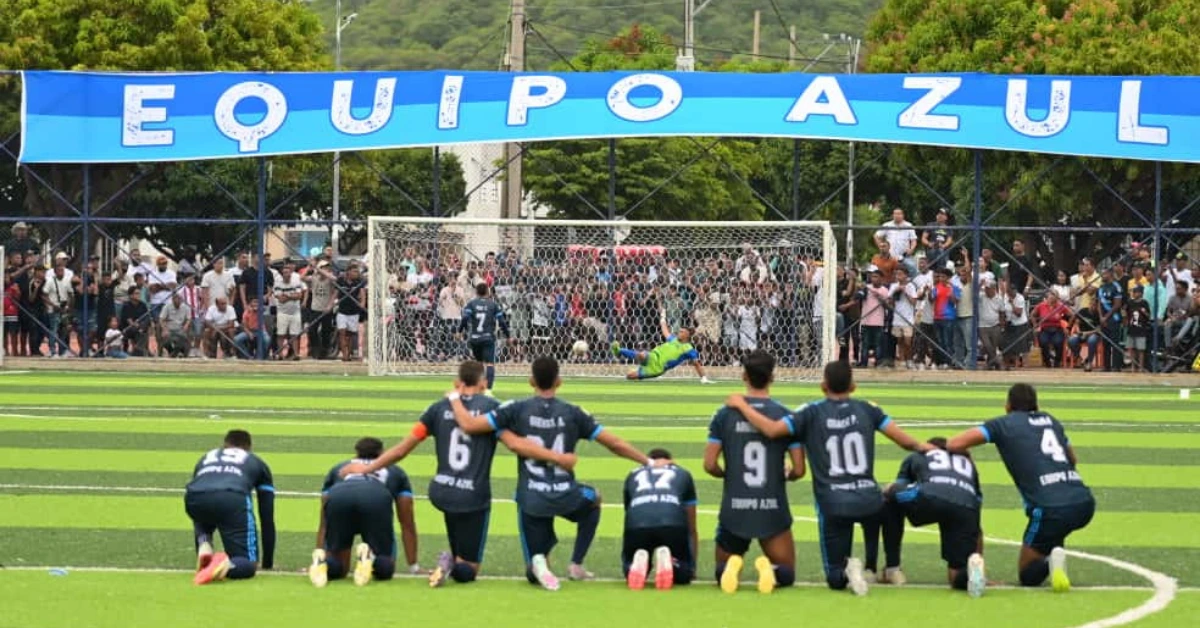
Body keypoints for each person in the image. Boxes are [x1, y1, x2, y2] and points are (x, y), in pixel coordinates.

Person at [339, 360, 575, 588]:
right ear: (483, 383)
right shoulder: (493, 409)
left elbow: (403, 448)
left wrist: (368, 468)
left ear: (457, 382)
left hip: (442, 491)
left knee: (460, 544)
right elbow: (515, 444)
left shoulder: (437, 409)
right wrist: (557, 458)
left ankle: (452, 558)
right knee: (469, 570)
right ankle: (452, 563)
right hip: (473, 495)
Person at [729, 360, 931, 596]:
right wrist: (925, 447)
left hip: (834, 503)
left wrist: (743, 406)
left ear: (823, 386)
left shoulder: (810, 412)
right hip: (869, 499)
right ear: (853, 386)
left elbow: (772, 430)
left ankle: (847, 569)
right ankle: (893, 567)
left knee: (835, 578)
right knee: (890, 500)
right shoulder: (868, 409)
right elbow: (905, 441)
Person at [447, 356, 649, 591]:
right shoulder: (573, 413)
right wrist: (646, 460)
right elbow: (613, 443)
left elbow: (470, 426)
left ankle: (538, 563)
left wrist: (454, 398)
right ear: (559, 382)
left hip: (532, 499)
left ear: (531, 381)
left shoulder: (515, 409)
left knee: (535, 568)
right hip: (567, 494)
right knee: (594, 499)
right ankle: (576, 564)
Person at [947, 384, 1095, 592]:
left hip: (1049, 508)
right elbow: (1073, 458)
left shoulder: (1002, 424)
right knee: (1054, 528)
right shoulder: (1051, 421)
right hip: (1083, 502)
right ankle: (1055, 551)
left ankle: (1049, 561)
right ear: (1036, 404)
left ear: (1008, 405)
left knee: (1028, 576)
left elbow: (955, 444)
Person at [708, 350, 805, 595]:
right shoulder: (785, 416)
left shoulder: (724, 415)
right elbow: (799, 469)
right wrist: (786, 474)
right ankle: (770, 572)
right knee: (786, 573)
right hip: (772, 507)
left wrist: (728, 474)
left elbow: (709, 464)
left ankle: (732, 566)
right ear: (772, 377)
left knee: (721, 570)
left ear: (744, 376)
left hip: (735, 508)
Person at [880, 437, 986, 597]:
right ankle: (971, 571)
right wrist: (977, 551)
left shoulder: (918, 455)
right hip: (965, 507)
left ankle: (892, 569)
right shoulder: (968, 463)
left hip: (929, 496)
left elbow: (901, 485)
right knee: (955, 575)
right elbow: (976, 505)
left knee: (890, 495)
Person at [309, 438, 418, 587]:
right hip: (375, 498)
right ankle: (369, 559)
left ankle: (321, 562)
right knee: (384, 568)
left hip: (339, 497)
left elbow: (324, 522)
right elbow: (407, 523)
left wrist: (321, 549)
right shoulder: (395, 471)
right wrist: (413, 565)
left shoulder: (339, 468)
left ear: (356, 453)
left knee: (337, 569)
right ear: (382, 453)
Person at [185, 430, 276, 585]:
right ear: (249, 447)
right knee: (246, 564)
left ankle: (204, 542)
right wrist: (267, 563)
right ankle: (225, 565)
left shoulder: (207, 457)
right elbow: (266, 517)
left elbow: (198, 486)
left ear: (225, 445)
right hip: (231, 497)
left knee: (203, 502)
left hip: (193, 497)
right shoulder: (256, 461)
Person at [623, 448, 699, 591]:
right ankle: (673, 563)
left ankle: (637, 563)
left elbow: (629, 513)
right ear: (670, 459)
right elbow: (691, 527)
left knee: (630, 566)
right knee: (683, 573)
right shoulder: (683, 473)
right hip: (671, 522)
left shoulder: (632, 474)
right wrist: (691, 568)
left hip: (637, 522)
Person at [610, 320, 711, 383]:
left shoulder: (689, 349)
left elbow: (696, 364)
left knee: (629, 376)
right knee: (641, 355)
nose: (679, 333)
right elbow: (665, 331)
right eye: (679, 331)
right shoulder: (673, 339)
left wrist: (703, 378)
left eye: (682, 332)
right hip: (653, 356)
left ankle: (633, 367)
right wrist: (663, 320)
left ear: (687, 335)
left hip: (657, 368)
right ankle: (618, 351)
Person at [461, 282, 509, 392]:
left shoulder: (471, 304)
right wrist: (508, 336)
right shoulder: (493, 305)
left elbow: (464, 319)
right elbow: (501, 322)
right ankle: (488, 391)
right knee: (490, 364)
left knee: (479, 364)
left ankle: (478, 387)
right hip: (488, 338)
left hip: (474, 339)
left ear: (476, 292)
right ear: (487, 292)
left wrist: (459, 331)